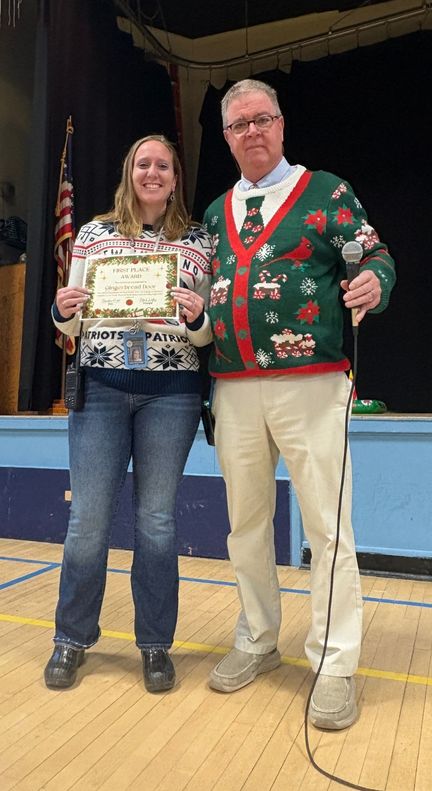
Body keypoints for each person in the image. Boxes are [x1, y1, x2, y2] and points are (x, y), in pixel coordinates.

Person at [202, 79, 395, 731]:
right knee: (245, 523)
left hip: (312, 382)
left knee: (327, 527)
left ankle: (335, 664)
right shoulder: (212, 214)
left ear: (282, 126)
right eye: (238, 124)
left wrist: (375, 281)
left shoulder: (327, 192)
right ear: (226, 137)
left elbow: (374, 256)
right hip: (232, 386)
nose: (252, 131)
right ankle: (258, 637)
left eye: (263, 119)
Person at [46, 134, 213, 692]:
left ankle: (155, 645)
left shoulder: (197, 240)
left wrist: (195, 317)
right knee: (87, 524)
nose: (152, 172)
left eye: (163, 165)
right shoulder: (92, 235)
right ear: (129, 171)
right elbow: (70, 325)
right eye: (144, 163)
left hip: (173, 394)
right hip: (102, 389)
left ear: (174, 177)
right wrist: (62, 308)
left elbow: (208, 331)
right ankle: (70, 639)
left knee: (157, 524)